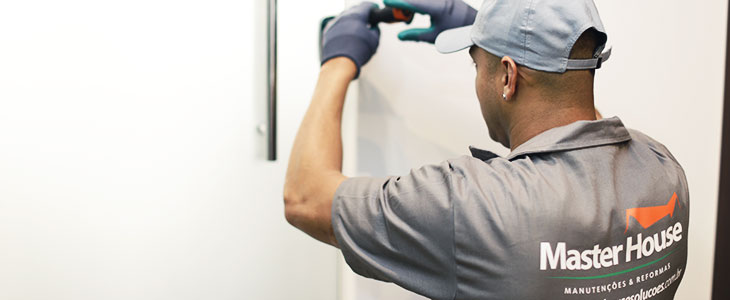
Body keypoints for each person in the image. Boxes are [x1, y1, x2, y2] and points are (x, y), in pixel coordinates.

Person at [283, 0, 689, 299]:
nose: (478, 78)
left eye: (476, 65)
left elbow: (305, 196)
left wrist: (337, 59)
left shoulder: (478, 206)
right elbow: (581, 121)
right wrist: (488, 32)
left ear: (508, 78)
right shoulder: (662, 170)